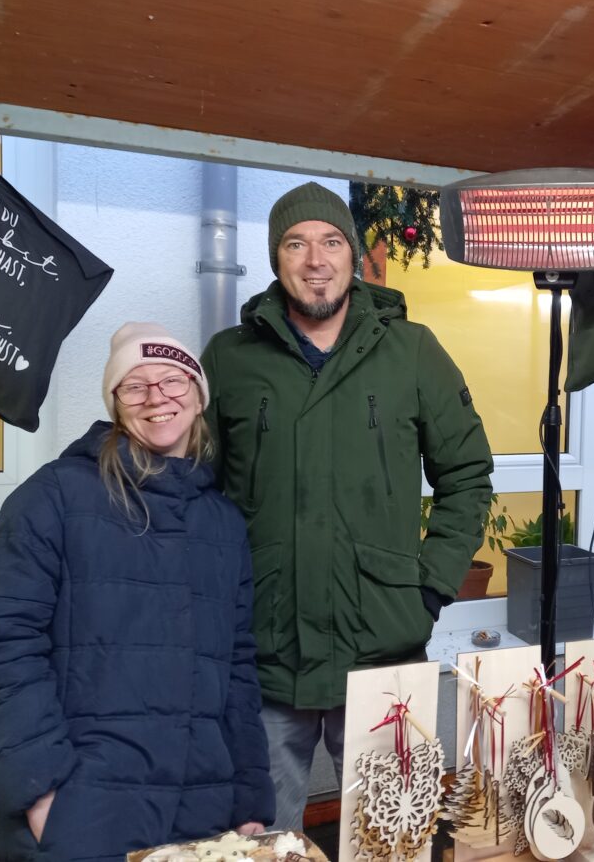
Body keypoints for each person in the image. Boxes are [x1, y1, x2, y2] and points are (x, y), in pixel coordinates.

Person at [202, 182, 494, 830]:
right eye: (296, 243)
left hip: (383, 652)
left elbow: (467, 475)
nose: (316, 259)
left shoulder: (412, 351)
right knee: (259, 842)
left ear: (353, 254)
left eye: (331, 241)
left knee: (394, 837)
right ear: (276, 258)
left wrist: (427, 588)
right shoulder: (231, 359)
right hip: (267, 660)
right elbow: (198, 496)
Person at [0, 322, 275, 862]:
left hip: (204, 811)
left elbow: (237, 669)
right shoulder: (53, 497)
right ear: (114, 402)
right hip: (84, 811)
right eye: (135, 385)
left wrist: (249, 797)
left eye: (174, 381)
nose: (157, 398)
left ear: (198, 398)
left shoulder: (221, 521)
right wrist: (41, 795)